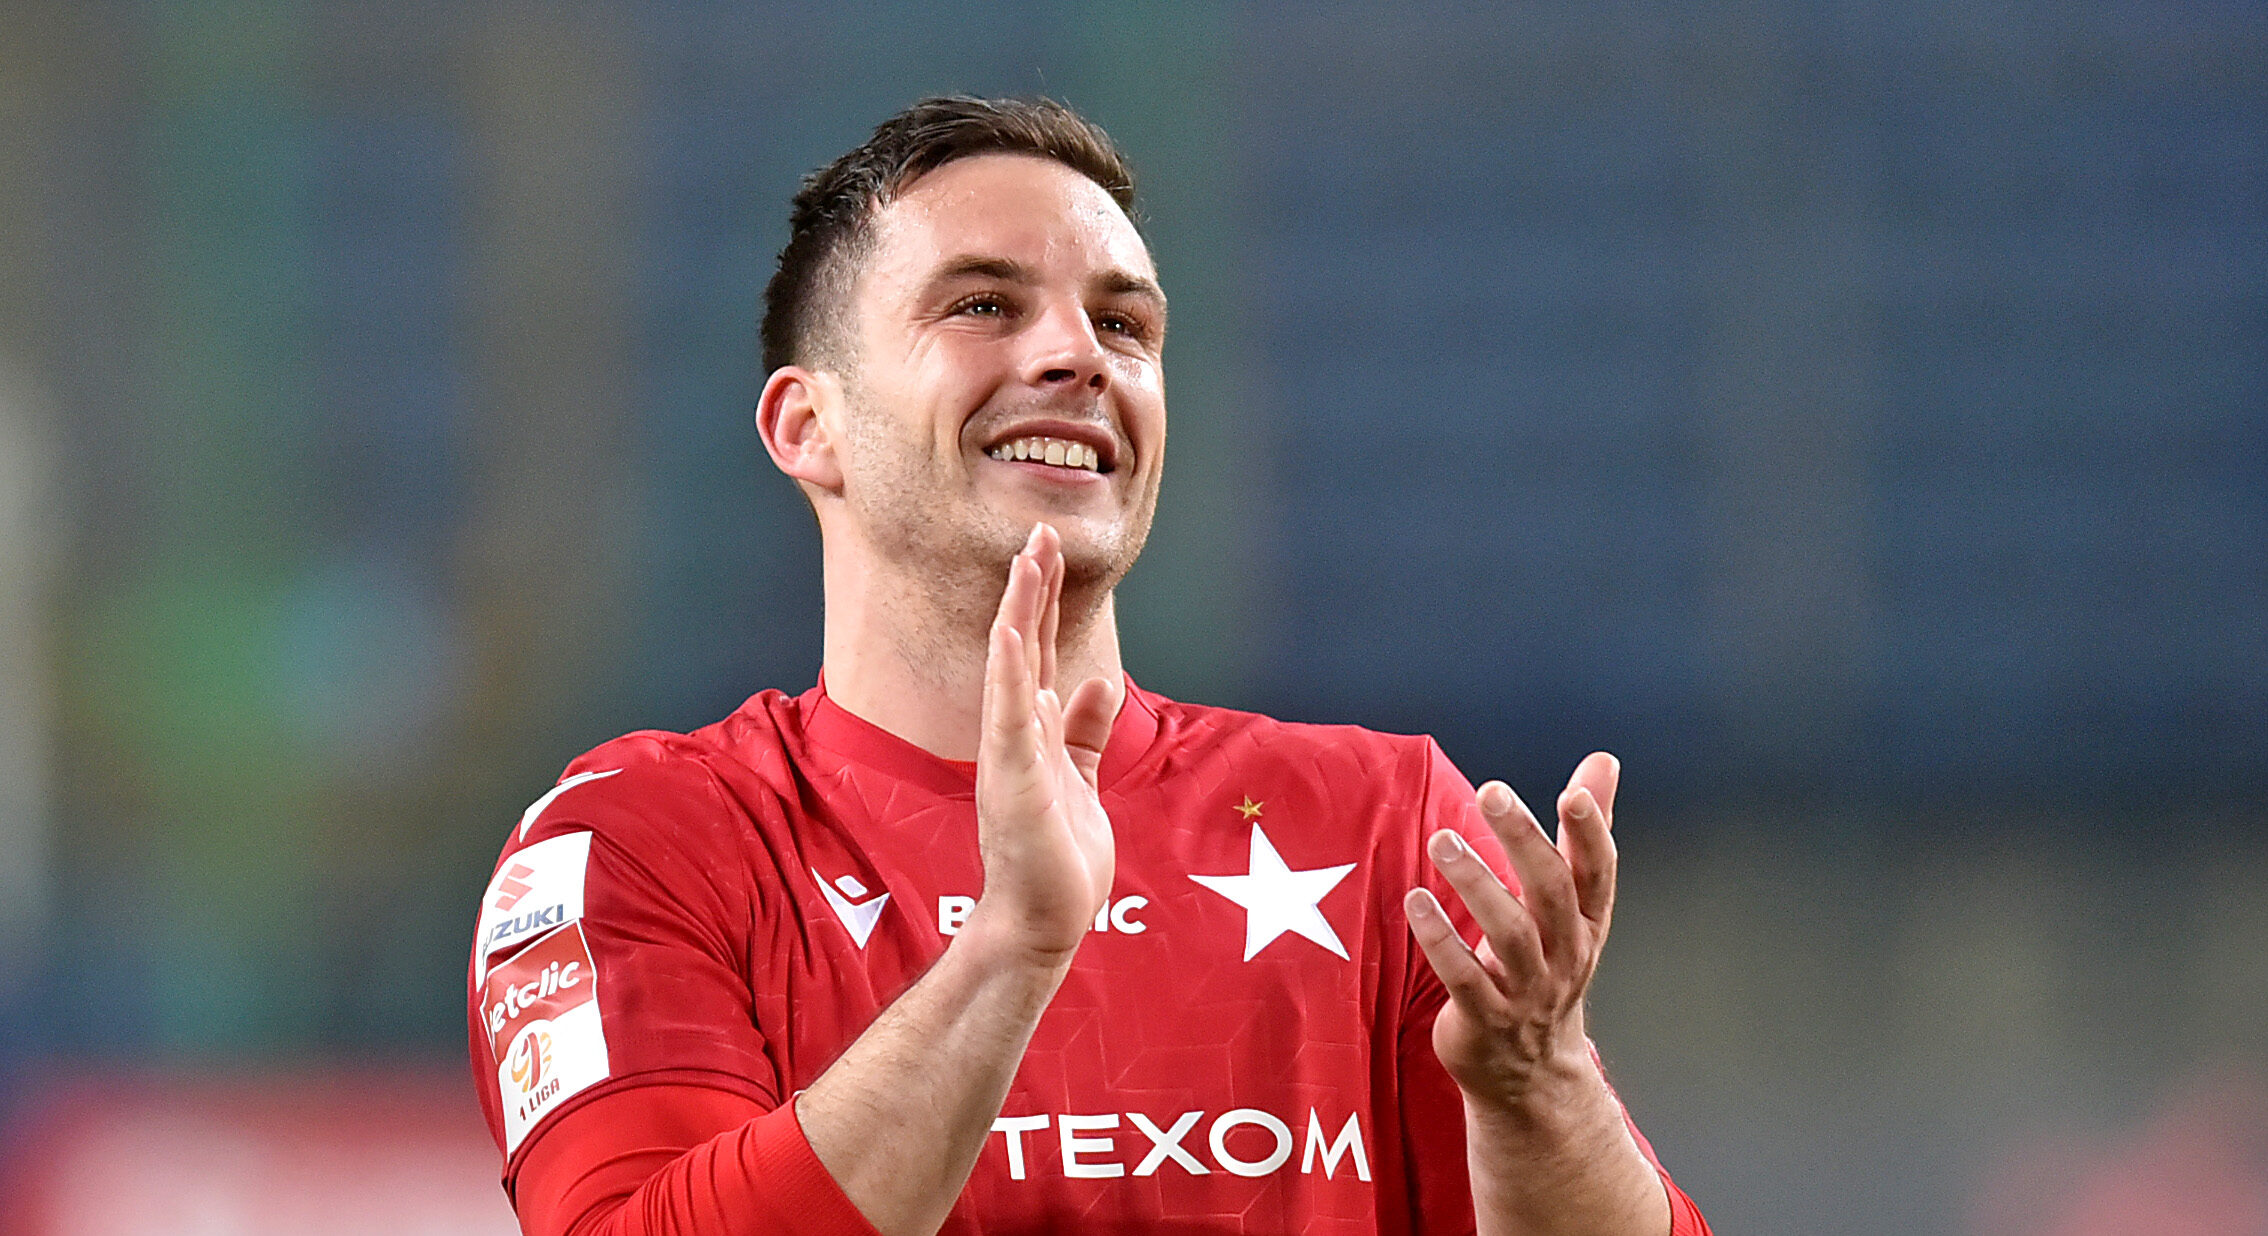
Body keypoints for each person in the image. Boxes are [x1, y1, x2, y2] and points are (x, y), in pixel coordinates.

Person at [466, 96, 1711, 1236]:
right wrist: (1012, 953)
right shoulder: (639, 845)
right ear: (809, 426)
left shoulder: (1385, 825)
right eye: (983, 306)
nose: (1080, 356)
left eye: (1124, 323)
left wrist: (1538, 1088)